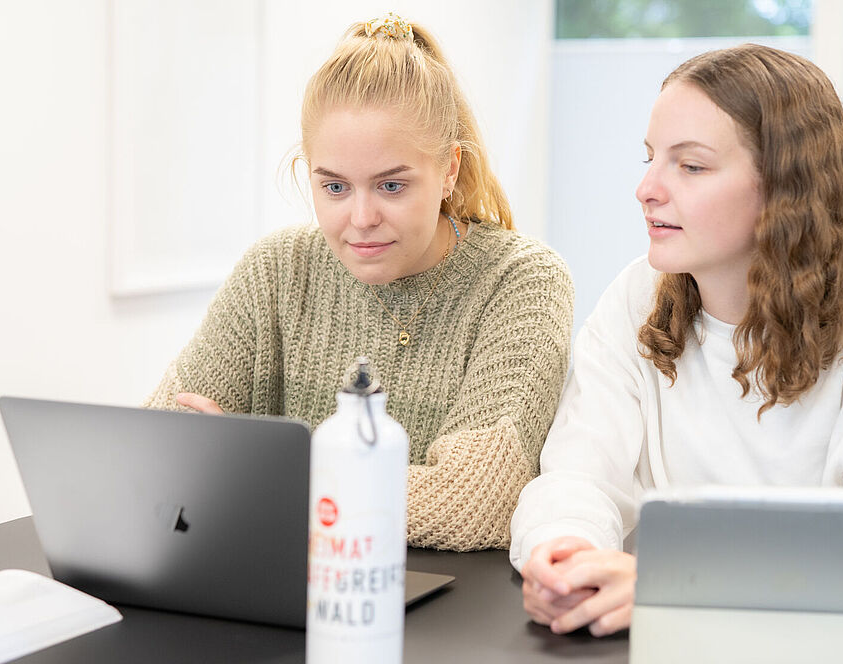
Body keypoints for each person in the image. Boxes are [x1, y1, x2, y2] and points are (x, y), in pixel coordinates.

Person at [510, 44, 843, 636]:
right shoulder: (638, 296)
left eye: (690, 166)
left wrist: (674, 587)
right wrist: (564, 555)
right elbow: (579, 474)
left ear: (784, 189)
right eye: (650, 159)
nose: (646, 188)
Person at [145, 13, 573, 552]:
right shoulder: (276, 270)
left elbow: (473, 503)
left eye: (391, 185)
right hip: (278, 596)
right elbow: (157, 451)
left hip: (439, 617)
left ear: (449, 170)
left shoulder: (521, 281)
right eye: (335, 187)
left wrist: (258, 477)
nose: (361, 217)